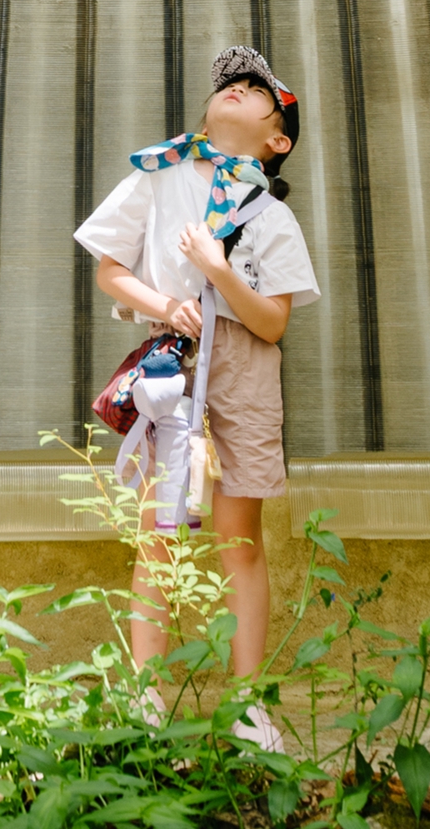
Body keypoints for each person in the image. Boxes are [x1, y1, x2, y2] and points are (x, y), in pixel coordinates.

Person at [75, 46, 318, 737]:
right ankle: (146, 699)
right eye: (230, 84)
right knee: (159, 532)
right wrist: (165, 300)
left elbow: (273, 322)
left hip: (243, 366)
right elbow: (109, 271)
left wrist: (219, 270)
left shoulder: (271, 216)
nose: (237, 89)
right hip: (171, 363)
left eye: (255, 89)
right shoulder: (158, 174)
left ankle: (248, 706)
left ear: (277, 140)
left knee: (239, 536)